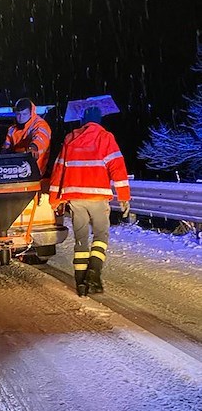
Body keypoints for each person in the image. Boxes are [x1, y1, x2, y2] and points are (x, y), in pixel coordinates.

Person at [49, 106, 131, 297]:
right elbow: (118, 168)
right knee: (101, 237)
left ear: (83, 121)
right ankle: (93, 276)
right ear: (99, 121)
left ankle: (80, 284)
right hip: (98, 198)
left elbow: (58, 170)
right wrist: (124, 197)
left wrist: (54, 200)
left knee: (81, 240)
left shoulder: (70, 139)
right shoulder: (105, 138)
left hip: (76, 199)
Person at [1, 97, 52, 176]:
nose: (21, 117)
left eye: (24, 114)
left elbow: (40, 137)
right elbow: (6, 148)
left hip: (36, 171)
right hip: (15, 171)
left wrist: (33, 147)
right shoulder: (12, 129)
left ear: (31, 113)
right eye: (18, 114)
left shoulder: (40, 125)